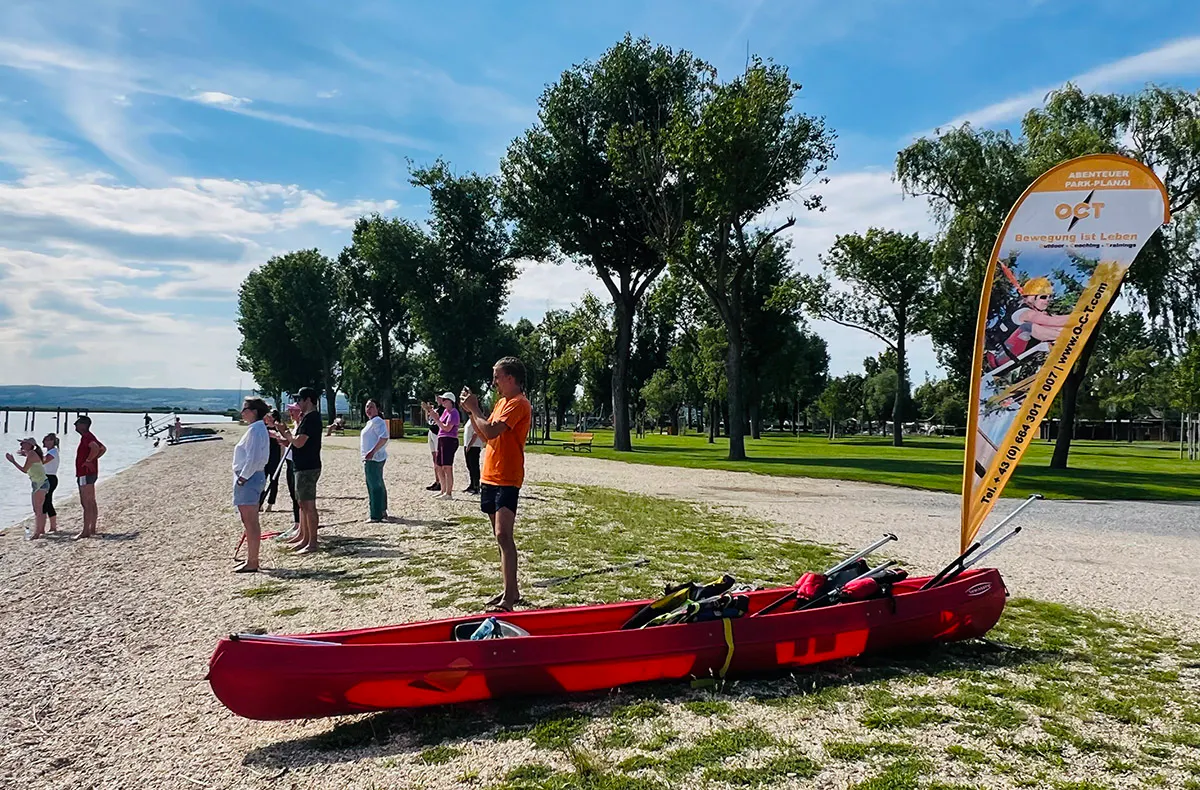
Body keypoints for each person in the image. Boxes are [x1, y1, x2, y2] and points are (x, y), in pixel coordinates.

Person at [460, 357, 532, 613]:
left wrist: (475, 410)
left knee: (503, 534)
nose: (494, 383)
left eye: (497, 377)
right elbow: (484, 432)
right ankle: (510, 590)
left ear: (510, 378)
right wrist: (472, 412)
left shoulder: (518, 404)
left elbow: (490, 431)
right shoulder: (501, 402)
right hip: (490, 475)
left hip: (508, 477)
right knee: (499, 537)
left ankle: (509, 599)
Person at [277, 388, 322, 554]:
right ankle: (305, 538)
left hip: (308, 466)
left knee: (308, 505)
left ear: (308, 400)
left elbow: (299, 442)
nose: (298, 404)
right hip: (303, 465)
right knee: (302, 503)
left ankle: (312, 543)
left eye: (300, 400)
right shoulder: (308, 418)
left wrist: (286, 433)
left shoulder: (311, 418)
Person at [232, 398, 271, 573]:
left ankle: (252, 561)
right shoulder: (256, 429)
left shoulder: (256, 430)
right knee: (248, 520)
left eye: (245, 409)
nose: (242, 413)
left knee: (251, 521)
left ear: (254, 411)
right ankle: (251, 559)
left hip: (250, 478)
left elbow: (253, 458)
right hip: (251, 477)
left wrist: (242, 478)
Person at [6, 438, 49, 540]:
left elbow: (25, 470)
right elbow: (33, 461)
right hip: (39, 483)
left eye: (23, 443)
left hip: (40, 483)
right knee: (37, 509)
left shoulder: (32, 454)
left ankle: (37, 533)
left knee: (38, 509)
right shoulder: (32, 453)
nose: (21, 444)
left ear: (29, 445)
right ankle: (40, 530)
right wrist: (25, 453)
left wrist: (13, 461)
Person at [73, 415, 106, 539]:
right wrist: (93, 459)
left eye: (77, 423)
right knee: (90, 501)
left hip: (85, 473)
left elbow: (97, 448)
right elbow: (103, 449)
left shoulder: (87, 437)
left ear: (84, 425)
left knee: (86, 502)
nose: (75, 425)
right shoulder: (88, 437)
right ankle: (92, 528)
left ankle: (86, 531)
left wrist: (89, 460)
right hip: (88, 472)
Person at [425, 392, 460, 500]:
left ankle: (449, 493)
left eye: (445, 400)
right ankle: (443, 490)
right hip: (442, 439)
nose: (443, 401)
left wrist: (436, 419)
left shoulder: (454, 413)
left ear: (451, 401)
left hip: (449, 440)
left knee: (447, 467)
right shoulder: (445, 412)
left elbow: (447, 428)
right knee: (439, 465)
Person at [360, 399, 390, 521]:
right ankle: (382, 510)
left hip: (373, 458)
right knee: (378, 484)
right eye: (367, 407)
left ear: (378, 408)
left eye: (371, 407)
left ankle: (376, 514)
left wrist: (372, 452)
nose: (368, 409)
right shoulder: (371, 422)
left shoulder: (377, 421)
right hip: (372, 457)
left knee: (374, 486)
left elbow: (384, 437)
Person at [259, 409, 283, 512]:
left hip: (275, 458)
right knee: (262, 481)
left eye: (269, 416)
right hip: (265, 458)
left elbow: (282, 445)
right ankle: (260, 503)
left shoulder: (278, 430)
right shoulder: (264, 429)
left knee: (274, 481)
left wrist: (282, 459)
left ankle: (270, 504)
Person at [41, 433, 60, 532]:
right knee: (44, 502)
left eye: (48, 440)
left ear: (53, 441)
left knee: (47, 501)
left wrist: (32, 455)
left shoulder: (53, 451)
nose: (45, 442)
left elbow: (43, 461)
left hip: (50, 478)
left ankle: (53, 526)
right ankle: (42, 527)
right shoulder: (47, 452)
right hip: (45, 478)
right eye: (45, 440)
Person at [462, 413, 485, 496]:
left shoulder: (476, 420)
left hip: (474, 445)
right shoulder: (469, 420)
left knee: (474, 465)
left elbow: (476, 434)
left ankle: (476, 486)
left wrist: (469, 445)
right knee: (469, 465)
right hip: (467, 445)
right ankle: (472, 484)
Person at [425, 403, 442, 491]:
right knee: (434, 458)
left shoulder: (442, 409)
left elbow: (438, 420)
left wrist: (430, 411)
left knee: (438, 458)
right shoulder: (436, 409)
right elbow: (428, 421)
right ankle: (437, 480)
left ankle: (441, 482)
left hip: (437, 433)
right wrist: (426, 411)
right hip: (431, 431)